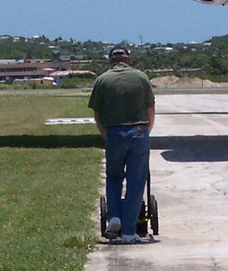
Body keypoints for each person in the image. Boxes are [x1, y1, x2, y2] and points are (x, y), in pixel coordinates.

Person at [88, 45, 155, 244]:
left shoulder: (102, 80)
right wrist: (146, 132)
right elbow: (150, 109)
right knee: (136, 182)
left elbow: (97, 114)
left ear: (110, 61)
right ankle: (128, 232)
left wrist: (106, 135)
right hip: (139, 132)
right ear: (128, 59)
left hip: (114, 133)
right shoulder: (141, 78)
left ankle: (114, 216)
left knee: (114, 176)